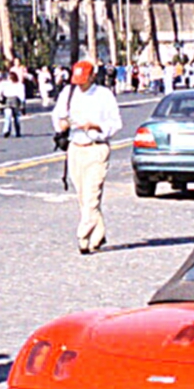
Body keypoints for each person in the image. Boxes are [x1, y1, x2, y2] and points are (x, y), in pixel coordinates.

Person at [51, 61, 122, 254]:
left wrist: (95, 125)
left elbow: (116, 123)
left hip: (96, 148)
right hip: (75, 147)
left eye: (83, 81)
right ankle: (98, 233)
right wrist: (62, 125)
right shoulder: (68, 92)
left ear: (92, 76)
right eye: (77, 81)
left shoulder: (104, 95)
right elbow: (57, 115)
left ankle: (82, 237)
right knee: (83, 196)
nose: (80, 85)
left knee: (92, 195)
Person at [0, 67, 25, 138]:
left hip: (8, 100)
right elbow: (22, 95)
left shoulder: (4, 84)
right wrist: (22, 104)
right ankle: (17, 131)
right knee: (16, 117)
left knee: (8, 116)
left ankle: (6, 130)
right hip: (16, 100)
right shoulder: (19, 85)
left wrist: (0, 97)